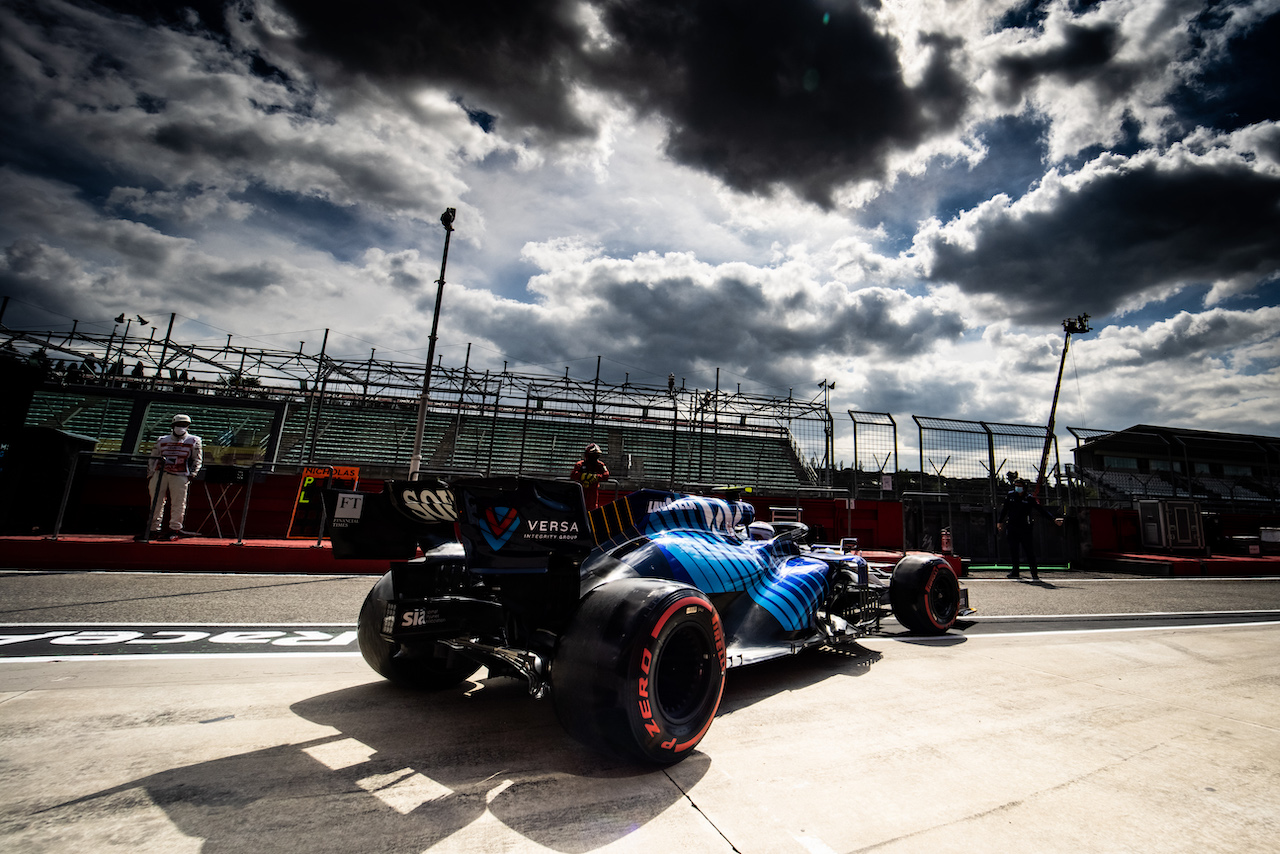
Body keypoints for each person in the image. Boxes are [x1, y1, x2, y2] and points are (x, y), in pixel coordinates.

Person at [142, 414, 203, 540]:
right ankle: (154, 529)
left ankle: (175, 528)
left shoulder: (194, 440)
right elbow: (153, 457)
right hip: (159, 474)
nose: (181, 428)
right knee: (156, 502)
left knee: (179, 503)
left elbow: (197, 459)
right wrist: (151, 474)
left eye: (184, 425)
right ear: (173, 426)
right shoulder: (162, 440)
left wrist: (192, 474)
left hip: (180, 475)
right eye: (178, 425)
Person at [997, 478, 1063, 581]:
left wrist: (1053, 519)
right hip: (1012, 526)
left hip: (1025, 527)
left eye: (1020, 486)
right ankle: (1015, 572)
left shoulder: (1029, 498)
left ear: (1024, 487)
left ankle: (1034, 573)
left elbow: (1041, 510)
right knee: (1013, 550)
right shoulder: (1010, 496)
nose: (1018, 488)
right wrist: (1000, 521)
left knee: (1029, 551)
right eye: (1016, 485)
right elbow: (1004, 509)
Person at [570, 443, 610, 509]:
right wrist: (583, 476)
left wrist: (596, 477)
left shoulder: (600, 465)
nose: (594, 457)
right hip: (580, 491)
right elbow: (573, 475)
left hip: (593, 491)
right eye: (593, 455)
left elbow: (606, 475)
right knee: (579, 507)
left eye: (596, 455)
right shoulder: (580, 464)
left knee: (592, 509)